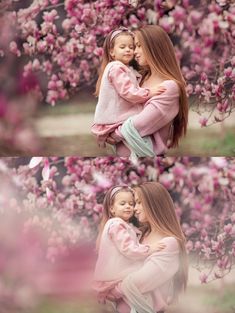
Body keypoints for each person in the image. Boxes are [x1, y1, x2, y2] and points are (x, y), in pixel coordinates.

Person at [105, 182, 188, 313]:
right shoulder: (141, 236)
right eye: (134, 203)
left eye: (138, 203)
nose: (134, 209)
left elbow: (137, 283)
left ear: (153, 204)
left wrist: (109, 291)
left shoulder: (169, 244)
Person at [106, 25, 189, 157]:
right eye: (134, 47)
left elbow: (140, 124)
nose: (134, 52)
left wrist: (113, 135)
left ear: (154, 48)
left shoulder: (169, 88)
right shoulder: (141, 79)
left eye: (139, 46)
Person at [91, 27, 166, 156]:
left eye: (131, 47)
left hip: (120, 117)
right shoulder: (116, 68)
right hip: (118, 117)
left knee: (133, 148)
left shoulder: (124, 68)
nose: (128, 50)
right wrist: (149, 93)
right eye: (122, 47)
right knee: (141, 145)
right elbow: (128, 92)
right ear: (112, 52)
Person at [93, 185, 165, 306]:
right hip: (117, 273)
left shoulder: (122, 225)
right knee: (146, 277)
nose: (128, 206)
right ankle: (156, 306)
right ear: (112, 209)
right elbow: (128, 249)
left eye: (131, 204)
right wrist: (149, 249)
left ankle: (156, 306)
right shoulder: (116, 225)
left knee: (143, 285)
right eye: (122, 203)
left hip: (116, 272)